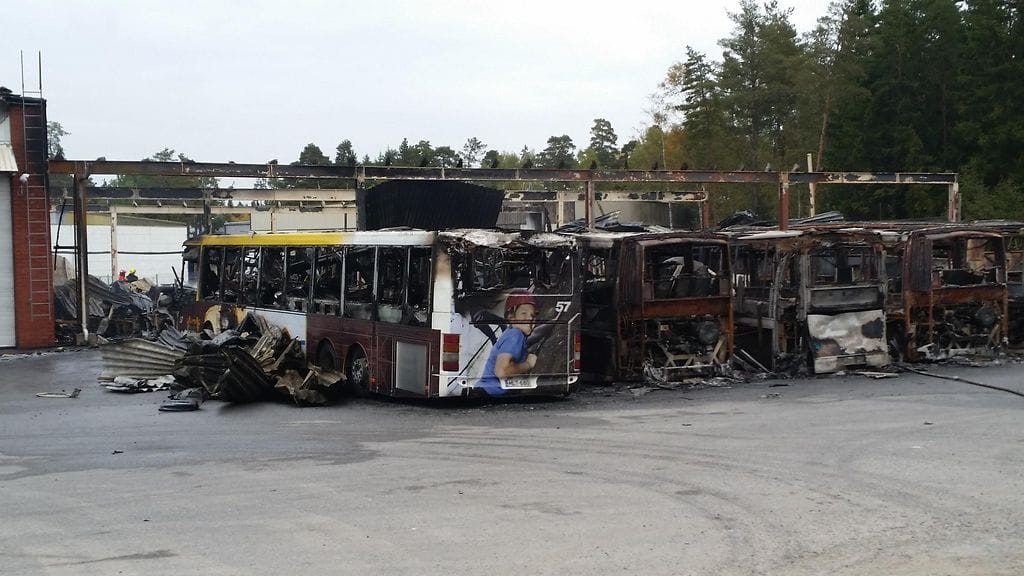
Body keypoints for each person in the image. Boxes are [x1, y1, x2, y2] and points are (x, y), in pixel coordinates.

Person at [478, 291, 538, 395]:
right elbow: (502, 371)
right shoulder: (515, 335)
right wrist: (528, 364)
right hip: (489, 393)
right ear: (511, 318)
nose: (530, 318)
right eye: (524, 313)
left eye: (533, 315)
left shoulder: (511, 333)